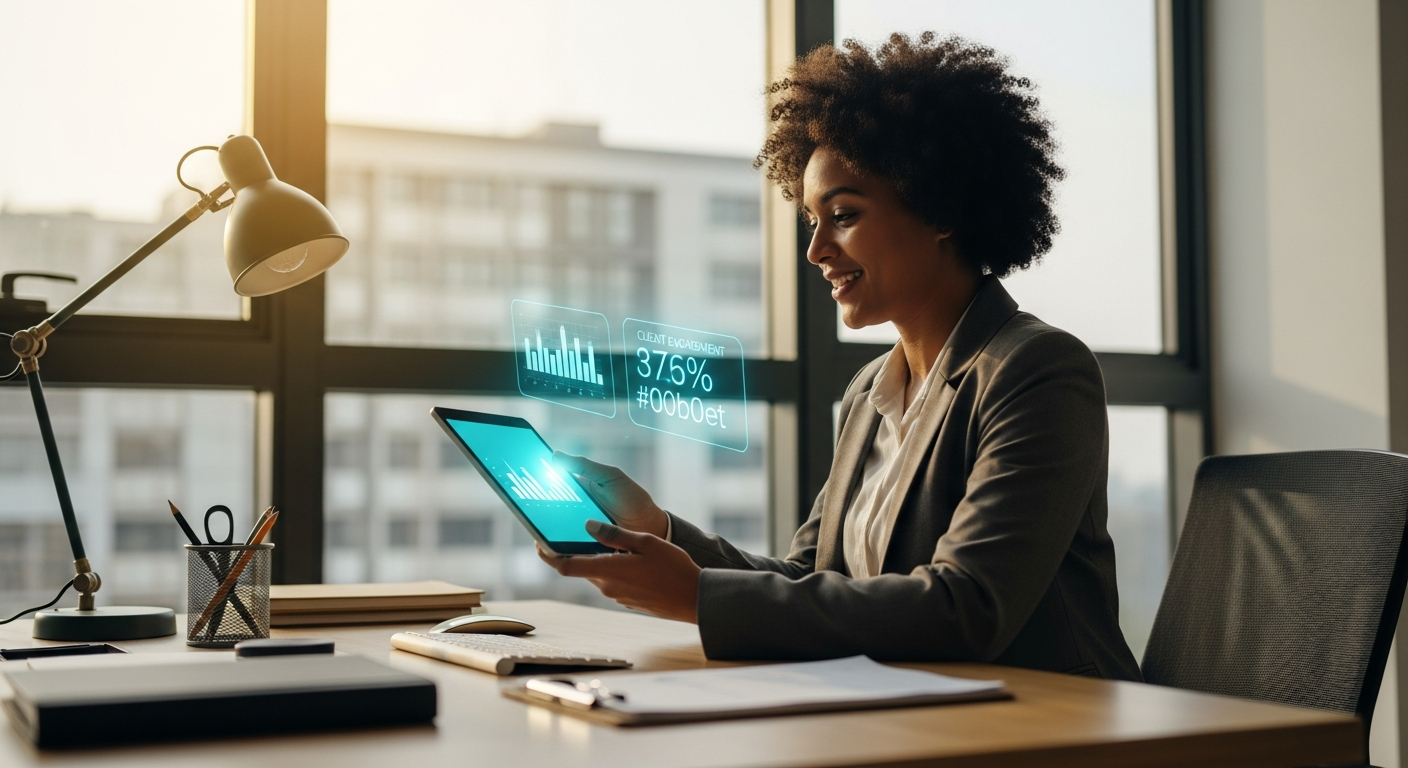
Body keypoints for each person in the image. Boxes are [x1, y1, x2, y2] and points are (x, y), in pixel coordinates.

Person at [538, 32, 1141, 681]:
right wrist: (660, 529)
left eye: (844, 215)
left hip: (1055, 723)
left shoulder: (1037, 371)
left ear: (938, 207)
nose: (816, 249)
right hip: (916, 711)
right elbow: (813, 580)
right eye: (810, 221)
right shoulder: (868, 392)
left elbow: (966, 607)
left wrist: (697, 597)